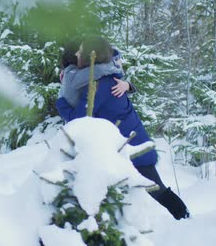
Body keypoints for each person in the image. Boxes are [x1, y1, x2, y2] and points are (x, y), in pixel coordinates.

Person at [56, 36, 190, 220]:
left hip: (133, 147)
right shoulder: (105, 73)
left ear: (89, 58)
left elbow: (78, 119)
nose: (77, 53)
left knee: (155, 188)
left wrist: (61, 102)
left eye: (80, 51)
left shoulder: (99, 85)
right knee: (151, 187)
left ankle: (184, 217)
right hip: (129, 141)